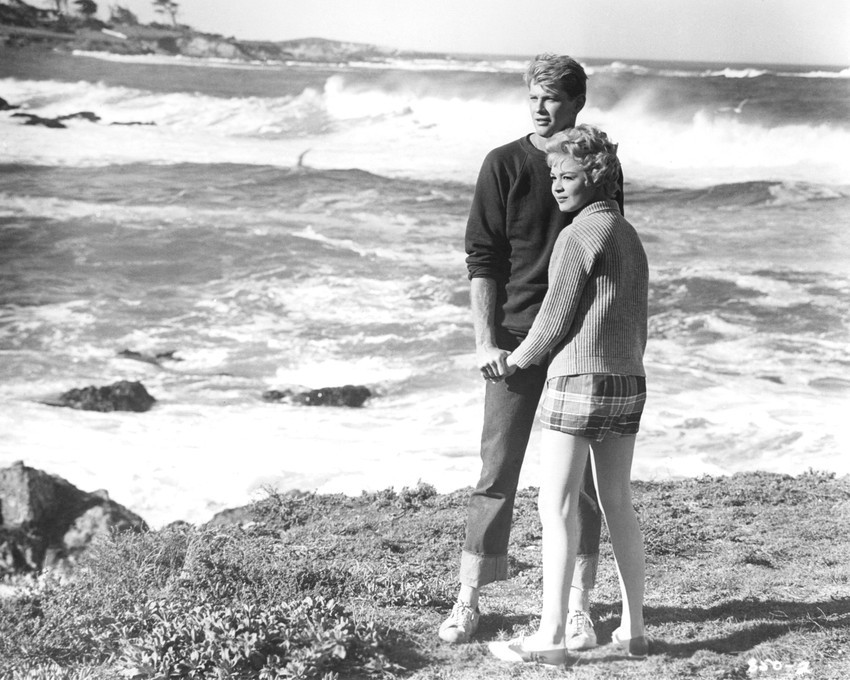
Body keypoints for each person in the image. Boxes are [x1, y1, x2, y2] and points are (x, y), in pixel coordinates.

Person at [438, 54, 622, 649]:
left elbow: (612, 252)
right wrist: (485, 339)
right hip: (516, 340)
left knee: (583, 483)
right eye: (533, 97)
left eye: (553, 99)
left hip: (579, 344)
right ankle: (468, 597)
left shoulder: (597, 168)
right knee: (497, 471)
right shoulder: (503, 164)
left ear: (577, 104)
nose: (540, 109)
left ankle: (577, 606)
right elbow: (483, 259)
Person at [487, 124, 649, 665]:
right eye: (554, 175)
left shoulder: (578, 235)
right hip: (629, 382)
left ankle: (550, 637)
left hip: (578, 381)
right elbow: (634, 319)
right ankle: (634, 628)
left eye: (569, 176)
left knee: (554, 506)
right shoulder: (627, 235)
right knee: (617, 501)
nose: (558, 185)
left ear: (596, 176)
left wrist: (516, 361)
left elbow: (554, 319)